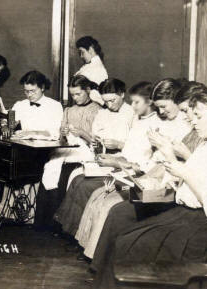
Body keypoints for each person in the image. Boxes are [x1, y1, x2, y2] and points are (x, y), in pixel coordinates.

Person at [93, 89, 207, 288]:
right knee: (124, 223)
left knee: (127, 240)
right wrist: (171, 160)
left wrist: (182, 171)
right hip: (182, 208)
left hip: (197, 222)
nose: (193, 121)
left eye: (198, 116)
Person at [74, 81, 161, 261]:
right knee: (95, 192)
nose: (133, 106)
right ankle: (86, 247)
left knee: (103, 194)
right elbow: (130, 150)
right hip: (125, 164)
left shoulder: (156, 123)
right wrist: (115, 159)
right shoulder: (139, 119)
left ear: (150, 102)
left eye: (137, 102)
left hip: (138, 172)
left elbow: (146, 162)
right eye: (133, 102)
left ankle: (97, 253)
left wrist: (118, 161)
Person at [54, 78, 134, 238]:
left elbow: (137, 148)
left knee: (84, 185)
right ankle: (69, 229)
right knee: (76, 179)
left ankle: (80, 234)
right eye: (106, 102)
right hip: (103, 158)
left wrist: (119, 145)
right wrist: (96, 143)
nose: (110, 105)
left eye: (113, 100)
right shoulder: (102, 113)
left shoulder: (131, 114)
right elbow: (94, 139)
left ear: (122, 94)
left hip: (122, 161)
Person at [34, 75, 101, 231]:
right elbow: (62, 138)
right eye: (72, 95)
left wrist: (82, 133)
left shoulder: (97, 110)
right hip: (69, 149)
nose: (75, 98)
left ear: (88, 90)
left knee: (63, 173)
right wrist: (63, 133)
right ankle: (44, 223)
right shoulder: (69, 110)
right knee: (50, 168)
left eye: (78, 94)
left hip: (87, 153)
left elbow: (97, 141)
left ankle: (58, 225)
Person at [11, 70, 63, 139]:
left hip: (46, 147)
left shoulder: (55, 106)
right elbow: (10, 123)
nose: (29, 95)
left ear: (42, 87)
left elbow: (55, 133)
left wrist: (32, 133)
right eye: (26, 91)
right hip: (24, 145)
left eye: (33, 91)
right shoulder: (20, 105)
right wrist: (6, 124)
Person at [74, 36, 108, 106]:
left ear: (90, 49)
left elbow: (97, 96)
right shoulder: (90, 66)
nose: (81, 56)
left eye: (82, 52)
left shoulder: (96, 68)